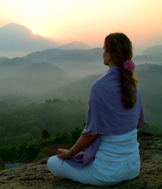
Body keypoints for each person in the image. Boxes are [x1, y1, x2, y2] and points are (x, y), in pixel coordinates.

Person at [47, 33, 145, 186]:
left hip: (106, 172)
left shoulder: (99, 87)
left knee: (52, 162)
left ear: (110, 55)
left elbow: (90, 134)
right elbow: (136, 123)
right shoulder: (134, 87)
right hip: (133, 167)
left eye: (104, 49)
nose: (103, 53)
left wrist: (70, 154)